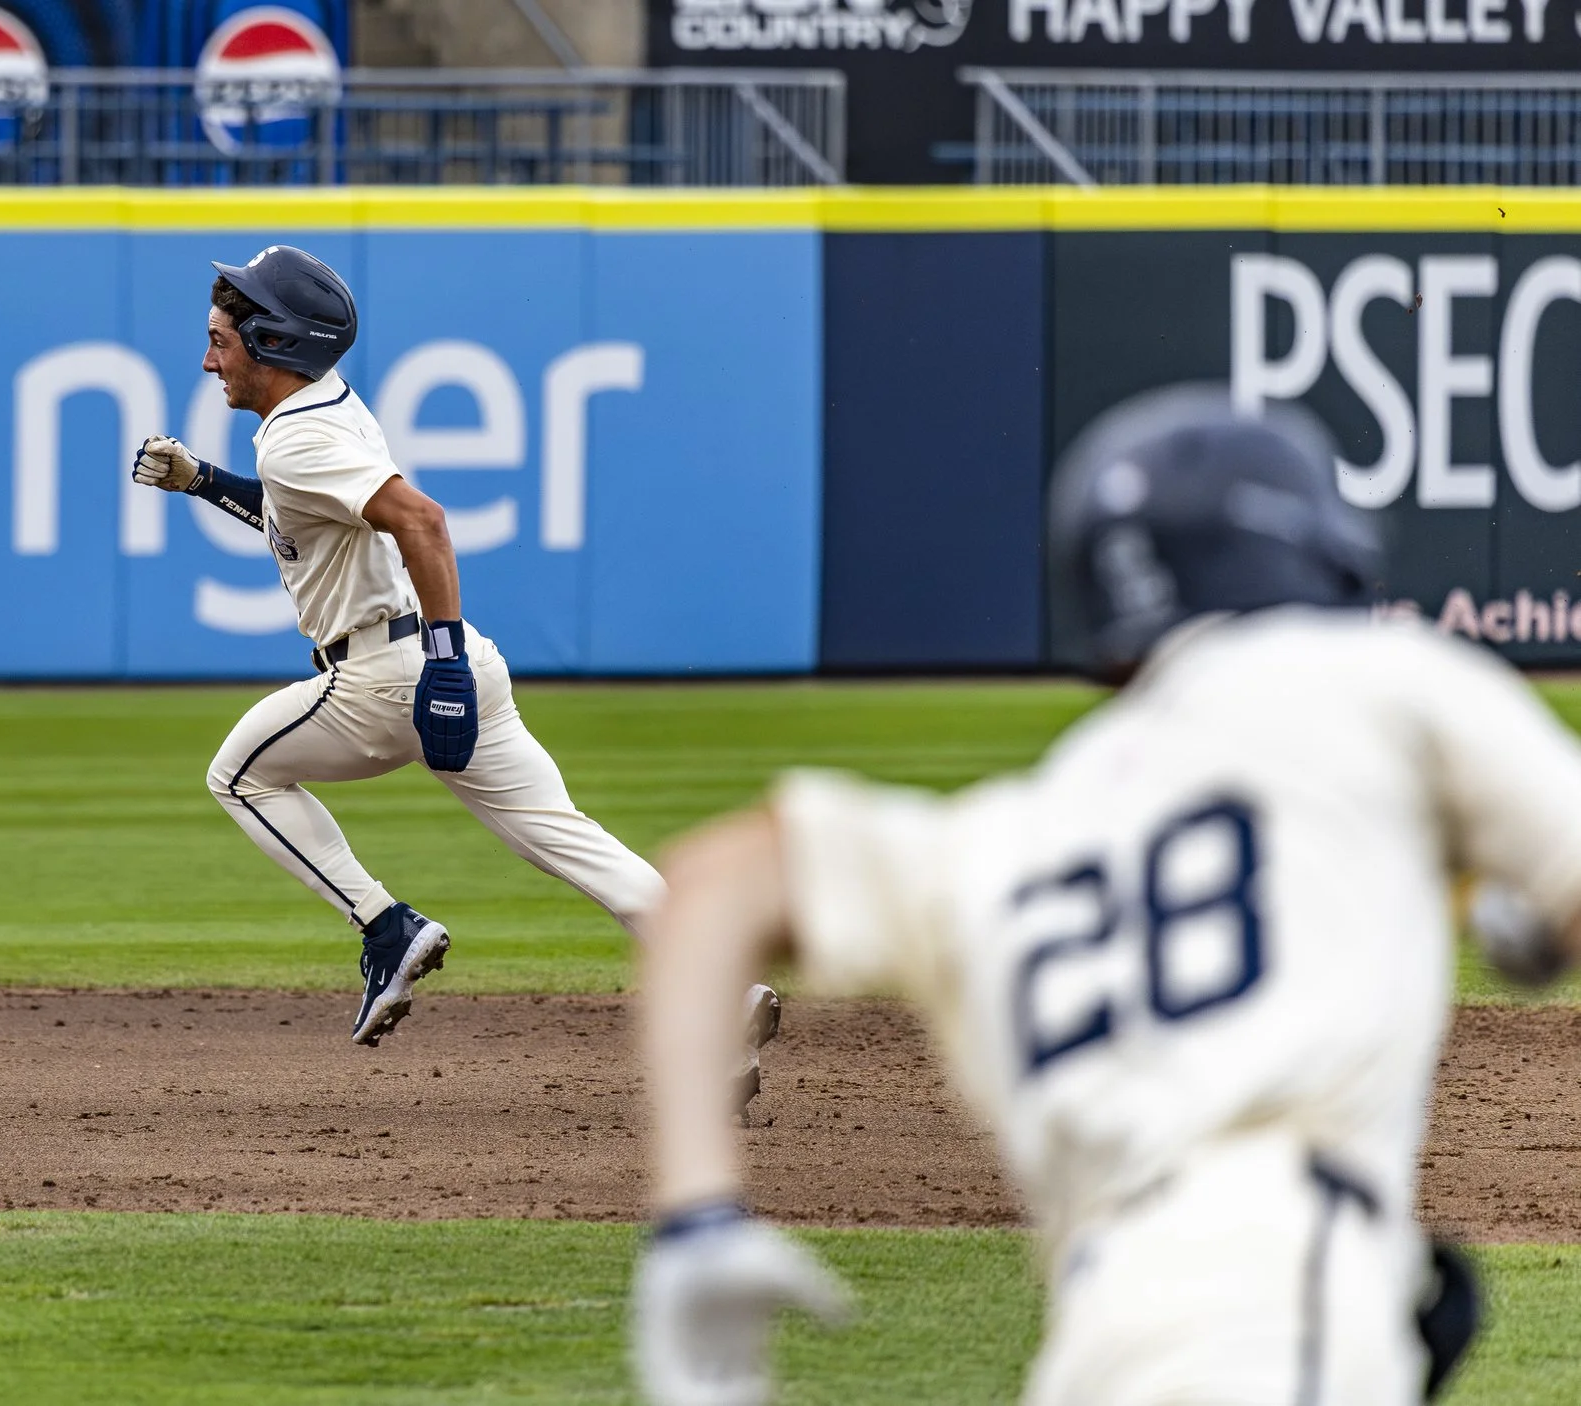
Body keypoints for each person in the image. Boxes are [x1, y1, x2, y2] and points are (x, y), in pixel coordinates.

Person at [621, 385, 1581, 1406]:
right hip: (1277, 1296)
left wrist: (696, 1221)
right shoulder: (1370, 673)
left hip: (1096, 1338)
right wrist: (1538, 919)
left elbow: (715, 881)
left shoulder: (1013, 831)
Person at [131, 246, 783, 1061]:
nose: (208, 360)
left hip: (385, 676)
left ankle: (386, 926)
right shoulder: (324, 407)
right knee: (571, 839)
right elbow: (301, 512)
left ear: (273, 343)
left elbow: (424, 522)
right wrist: (203, 481)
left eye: (220, 340)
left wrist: (438, 664)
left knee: (239, 775)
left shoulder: (296, 441)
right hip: (461, 661)